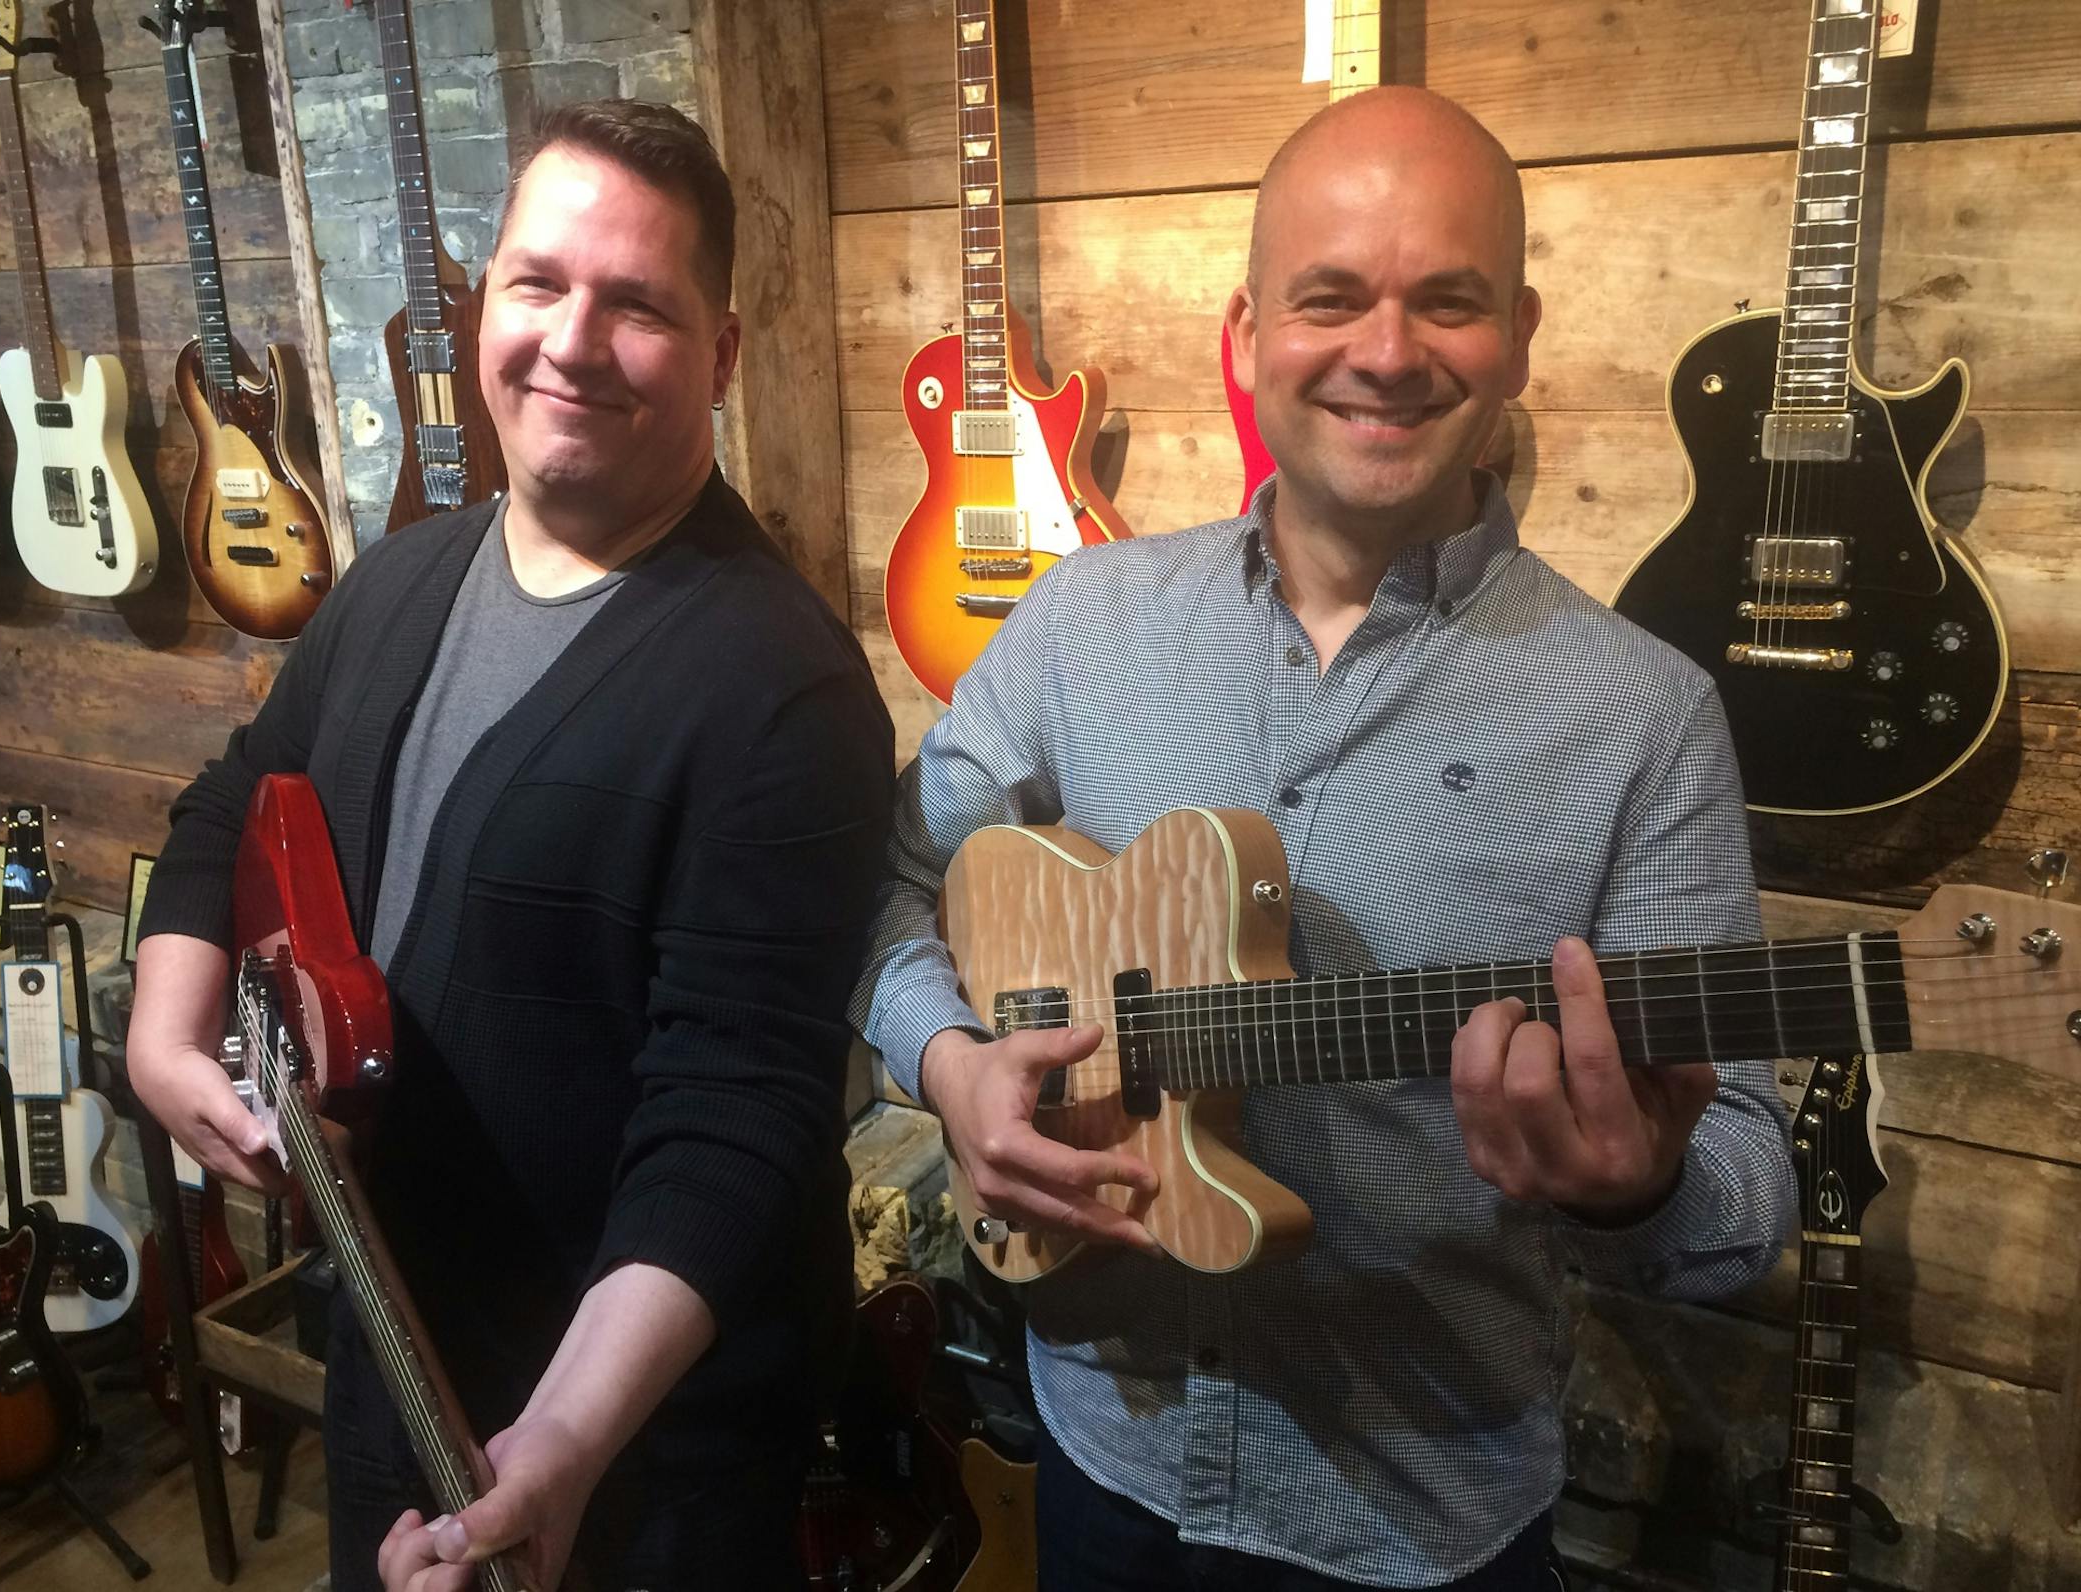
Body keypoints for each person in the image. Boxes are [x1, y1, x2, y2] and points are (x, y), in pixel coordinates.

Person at [853, 87, 1794, 1591]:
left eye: (1450, 302)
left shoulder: (1645, 717)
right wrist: (951, 1064)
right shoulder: (1081, 623)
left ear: (1522, 337)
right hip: (1100, 1462)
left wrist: (1642, 1185)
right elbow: (894, 885)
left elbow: (1745, 1172)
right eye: (1331, 298)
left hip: (1421, 1524)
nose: (1386, 350)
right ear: (1246, 336)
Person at [128, 100, 895, 1592]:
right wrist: (164, 1033)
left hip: (629, 1447)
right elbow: (237, 796)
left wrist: (557, 1448)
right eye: (538, 285)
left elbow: (736, 1115)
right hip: (394, 1350)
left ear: (723, 356)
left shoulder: (776, 684)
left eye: (639, 307)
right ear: (485, 305)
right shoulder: (399, 581)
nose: (570, 341)